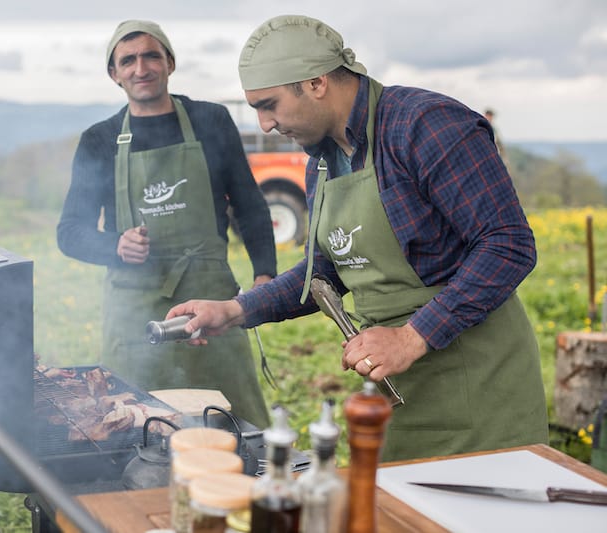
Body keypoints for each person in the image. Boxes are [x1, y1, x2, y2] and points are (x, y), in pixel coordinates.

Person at [165, 15, 549, 461]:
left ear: (315, 83)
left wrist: (411, 337)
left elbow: (507, 244)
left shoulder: (424, 126)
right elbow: (324, 270)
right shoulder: (322, 162)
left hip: (480, 389)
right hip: (398, 395)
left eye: (269, 105)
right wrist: (234, 310)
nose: (265, 124)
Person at [56, 20, 276, 428]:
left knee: (237, 419)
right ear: (114, 74)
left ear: (170, 63)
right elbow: (69, 232)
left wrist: (265, 276)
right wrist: (115, 246)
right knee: (136, 422)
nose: (141, 68)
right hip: (135, 309)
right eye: (128, 60)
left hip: (211, 299)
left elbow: (249, 205)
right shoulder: (99, 140)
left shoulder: (210, 121)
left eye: (151, 55)